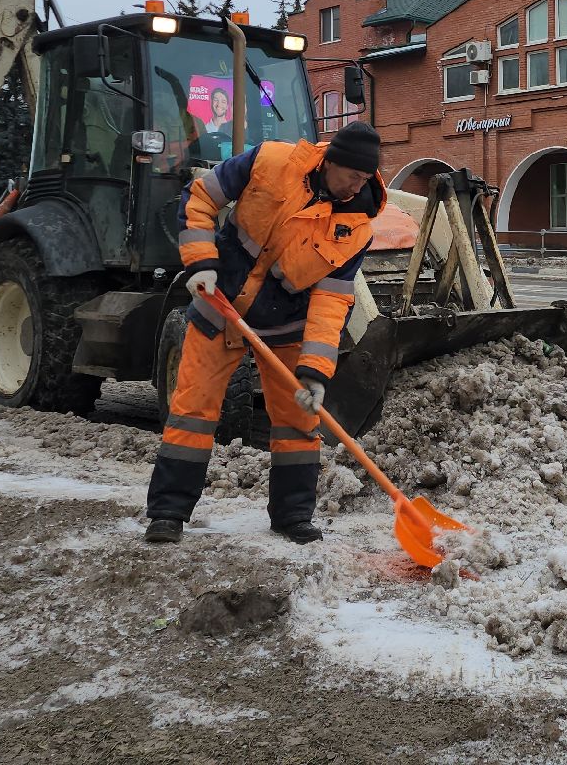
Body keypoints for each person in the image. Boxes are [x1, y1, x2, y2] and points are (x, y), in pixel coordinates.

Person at [144, 120, 386, 545]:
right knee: (192, 413)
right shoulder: (271, 161)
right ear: (330, 161)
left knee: (298, 422)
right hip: (220, 308)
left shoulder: (356, 227)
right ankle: (168, 513)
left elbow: (331, 303)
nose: (356, 185)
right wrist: (201, 263)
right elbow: (200, 197)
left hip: (287, 327)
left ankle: (292, 517)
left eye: (365, 178)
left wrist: (314, 372)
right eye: (352, 175)